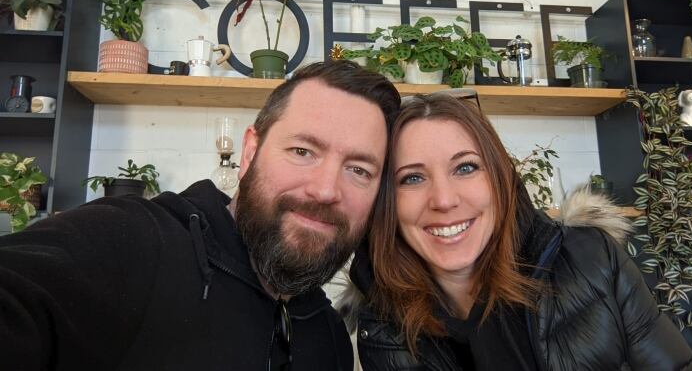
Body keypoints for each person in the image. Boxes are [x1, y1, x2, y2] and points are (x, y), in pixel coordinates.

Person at [0, 60, 400, 370]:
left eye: (359, 170)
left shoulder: (328, 338)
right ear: (248, 153)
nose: (326, 190)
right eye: (302, 151)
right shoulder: (136, 242)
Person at [343, 92, 692, 370]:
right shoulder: (384, 321)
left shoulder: (593, 259)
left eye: (465, 167)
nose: (444, 200)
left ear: (502, 180)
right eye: (413, 178)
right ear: (387, 204)